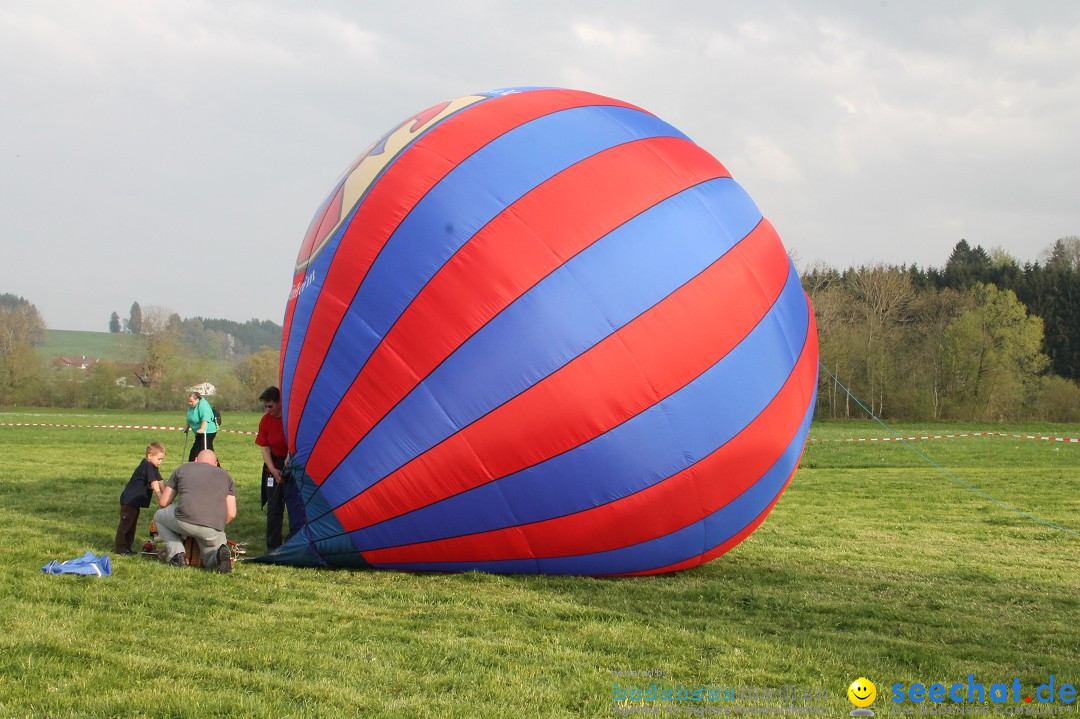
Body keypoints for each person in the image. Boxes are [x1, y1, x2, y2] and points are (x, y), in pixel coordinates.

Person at [154, 449, 236, 572]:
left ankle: (177, 555)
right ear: (215, 464)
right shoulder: (226, 476)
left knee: (159, 516)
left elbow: (163, 502)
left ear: (196, 460)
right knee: (209, 561)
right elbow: (232, 513)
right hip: (214, 526)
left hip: (184, 520)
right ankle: (220, 554)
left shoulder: (183, 468)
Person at [256, 386, 306, 549]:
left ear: (279, 403)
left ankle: (295, 541)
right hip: (273, 464)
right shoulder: (265, 421)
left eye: (270, 406)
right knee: (274, 507)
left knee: (295, 505)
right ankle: (273, 545)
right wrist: (272, 469)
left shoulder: (290, 420)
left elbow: (296, 441)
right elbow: (264, 447)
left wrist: (289, 457)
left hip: (291, 464)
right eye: (265, 407)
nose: (267, 410)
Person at [113, 442, 166, 555]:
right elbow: (154, 482)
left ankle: (127, 548)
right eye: (159, 459)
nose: (160, 462)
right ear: (149, 456)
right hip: (129, 501)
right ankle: (120, 549)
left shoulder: (153, 466)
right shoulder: (147, 465)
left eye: (162, 459)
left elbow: (160, 480)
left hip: (135, 502)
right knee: (126, 524)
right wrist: (160, 496)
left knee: (132, 525)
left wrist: (166, 493)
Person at [184, 391, 218, 462]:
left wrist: (202, 429)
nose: (189, 403)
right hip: (199, 433)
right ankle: (192, 466)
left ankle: (216, 468)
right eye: (189, 401)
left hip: (208, 432)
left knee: (204, 451)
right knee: (197, 451)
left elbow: (206, 418)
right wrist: (186, 428)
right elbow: (189, 418)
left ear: (197, 400)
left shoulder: (203, 405)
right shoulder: (192, 407)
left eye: (191, 401)